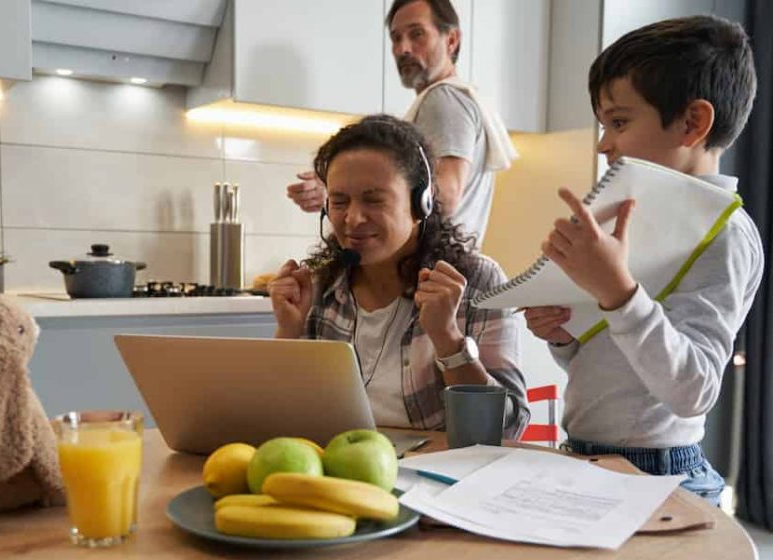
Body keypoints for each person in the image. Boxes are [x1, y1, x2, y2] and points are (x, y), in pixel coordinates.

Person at [524, 15, 760, 506]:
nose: (603, 143)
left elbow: (693, 389)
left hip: (659, 474)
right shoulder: (633, 221)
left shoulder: (725, 236)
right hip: (588, 456)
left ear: (692, 123)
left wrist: (618, 294)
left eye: (619, 121)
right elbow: (614, 367)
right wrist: (565, 337)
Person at [269, 115, 528, 433]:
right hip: (338, 470)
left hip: (440, 474)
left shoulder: (477, 281)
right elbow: (280, 420)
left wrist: (447, 337)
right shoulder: (321, 285)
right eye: (338, 201)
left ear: (422, 203)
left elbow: (507, 429)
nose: (352, 218)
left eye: (373, 200)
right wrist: (288, 332)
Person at [286, 0, 517, 246]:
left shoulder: (443, 99)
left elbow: (446, 196)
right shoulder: (456, 98)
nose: (403, 48)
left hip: (431, 271)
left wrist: (346, 193)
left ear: (451, 40)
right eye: (396, 38)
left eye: (417, 34)